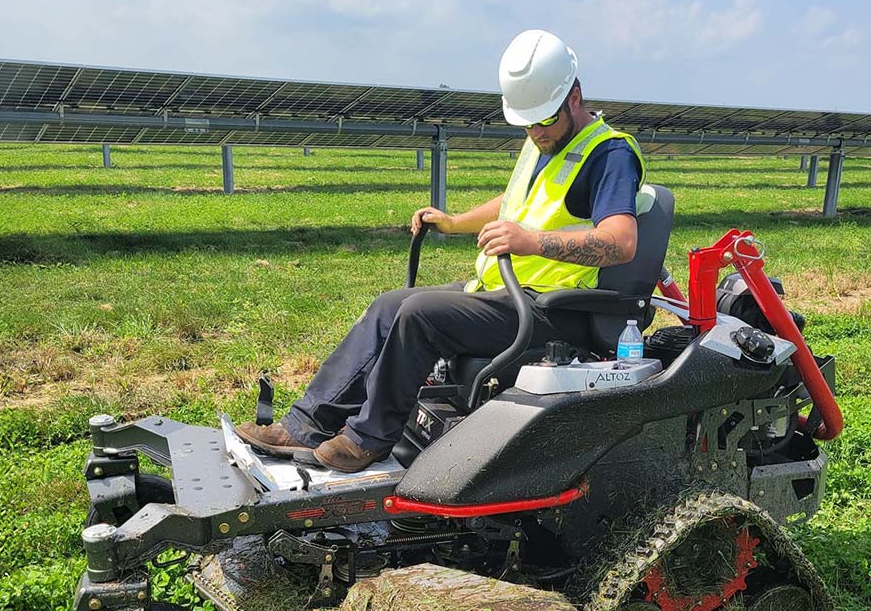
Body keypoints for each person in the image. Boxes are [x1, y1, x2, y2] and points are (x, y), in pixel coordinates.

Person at [238, 29, 647, 472]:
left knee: (421, 314)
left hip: (551, 308)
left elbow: (620, 242)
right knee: (388, 305)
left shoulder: (609, 154)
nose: (534, 131)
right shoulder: (544, 142)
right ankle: (304, 426)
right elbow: (515, 203)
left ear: (574, 96)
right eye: (526, 122)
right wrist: (453, 222)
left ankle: (366, 438)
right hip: (503, 290)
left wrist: (530, 242)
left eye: (543, 120)